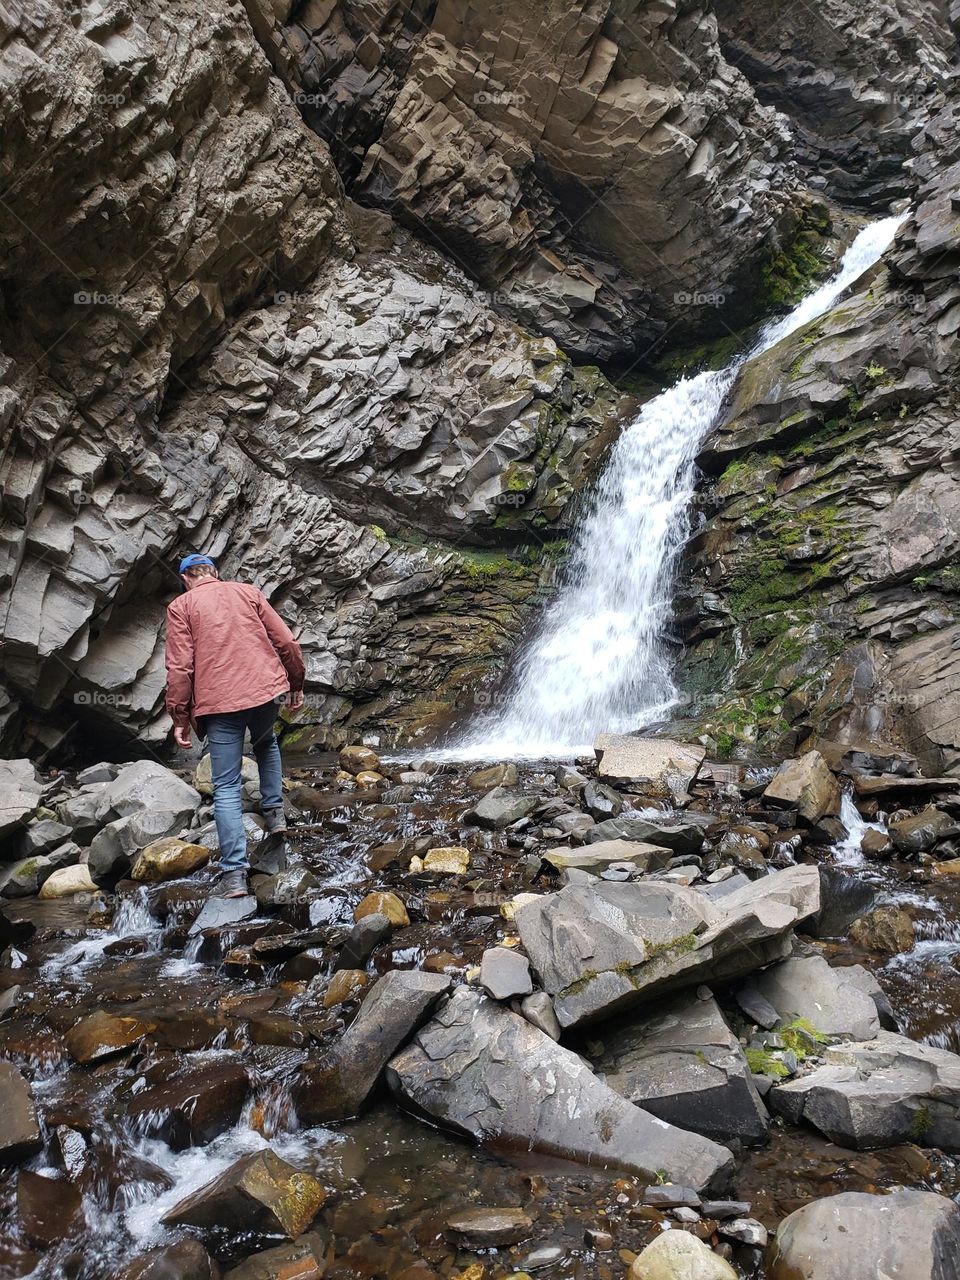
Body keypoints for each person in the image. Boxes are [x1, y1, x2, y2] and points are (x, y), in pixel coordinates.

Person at [164, 554, 305, 896]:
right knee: (266, 743)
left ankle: (234, 876)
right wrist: (297, 683)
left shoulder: (181, 606)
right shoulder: (247, 591)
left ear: (187, 579)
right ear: (215, 573)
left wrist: (179, 718)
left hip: (220, 703)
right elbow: (286, 642)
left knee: (225, 787)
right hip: (267, 691)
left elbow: (180, 669)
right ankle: (275, 816)